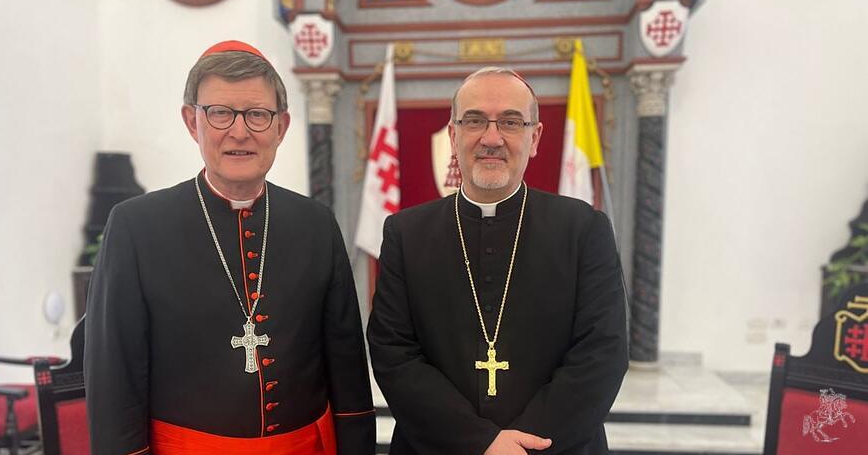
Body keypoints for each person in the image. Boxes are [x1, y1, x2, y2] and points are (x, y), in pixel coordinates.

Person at [85, 40, 375, 455]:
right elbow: (115, 379)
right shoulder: (136, 227)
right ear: (192, 122)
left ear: (281, 126)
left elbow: (347, 367)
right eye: (220, 113)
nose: (240, 132)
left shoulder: (316, 224)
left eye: (258, 114)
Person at [367, 67, 628, 454]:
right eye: (474, 121)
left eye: (510, 121)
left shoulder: (584, 229)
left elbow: (603, 352)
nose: (492, 138)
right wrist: (480, 442)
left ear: (534, 137)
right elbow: (393, 353)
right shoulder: (406, 233)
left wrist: (520, 446)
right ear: (453, 136)